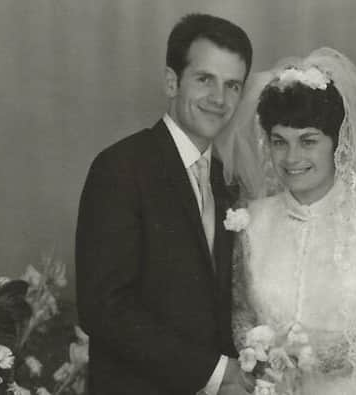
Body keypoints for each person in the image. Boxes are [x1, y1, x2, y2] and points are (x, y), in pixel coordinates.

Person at [217, 48, 356, 394]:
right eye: (280, 142)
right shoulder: (253, 221)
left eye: (308, 141)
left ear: (337, 143)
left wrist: (308, 357)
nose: (292, 158)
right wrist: (263, 355)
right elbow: (241, 312)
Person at [75, 13, 253, 395]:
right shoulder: (121, 167)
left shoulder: (229, 182)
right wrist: (217, 373)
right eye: (205, 79)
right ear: (172, 82)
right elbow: (104, 308)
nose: (219, 99)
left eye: (233, 85)